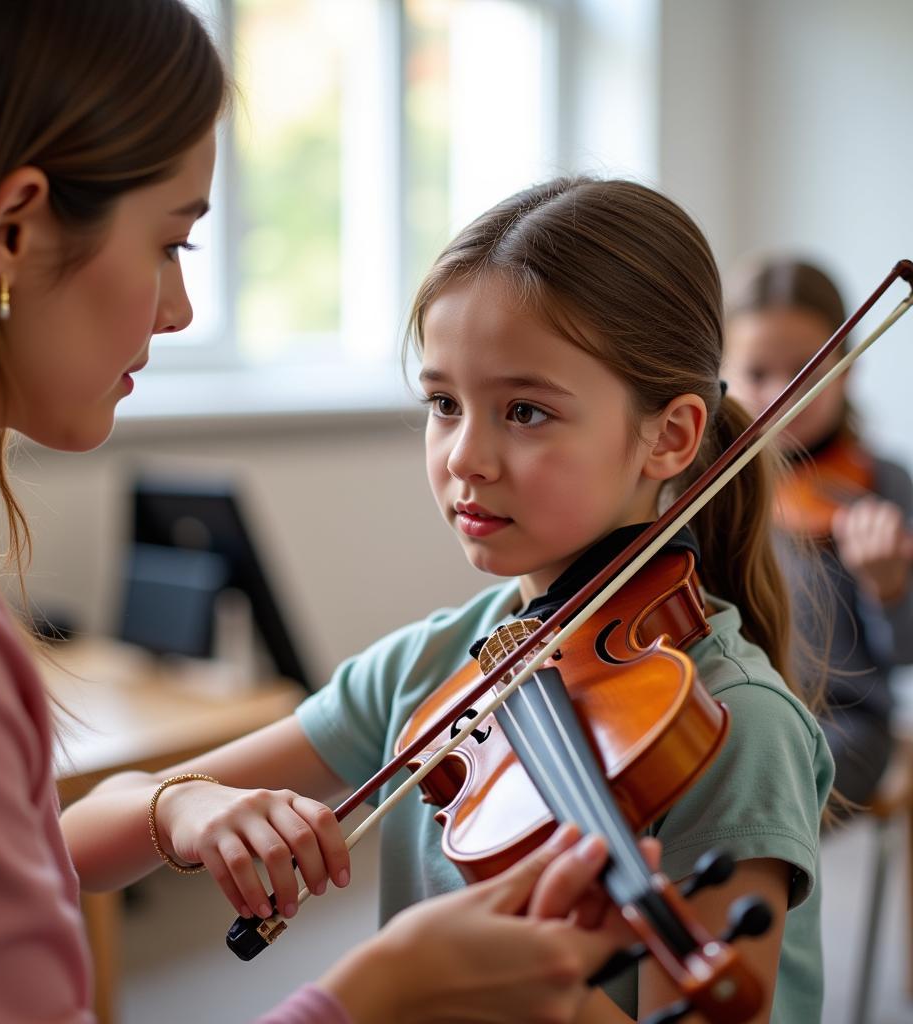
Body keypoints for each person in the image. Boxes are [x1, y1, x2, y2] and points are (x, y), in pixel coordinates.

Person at [0, 2, 644, 1021]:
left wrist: (176, 804)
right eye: (171, 243)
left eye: (524, 410)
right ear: (15, 227)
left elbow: (9, 865)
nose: (179, 309)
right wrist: (371, 995)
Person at [62, 179, 835, 1023]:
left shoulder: (734, 726)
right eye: (443, 403)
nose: (466, 455)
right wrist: (184, 804)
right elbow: (65, 847)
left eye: (526, 411)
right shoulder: (429, 670)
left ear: (671, 435)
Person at [722, 257, 913, 806]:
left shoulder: (883, 483)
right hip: (738, 710)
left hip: (845, 725)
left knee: (763, 798)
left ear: (845, 367)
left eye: (806, 371)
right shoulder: (717, 485)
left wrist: (889, 588)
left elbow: (903, 657)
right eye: (758, 374)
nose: (784, 393)